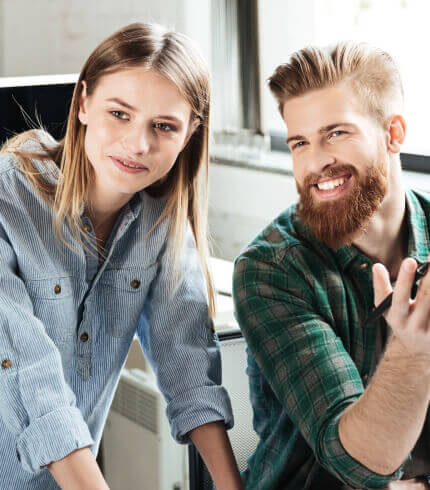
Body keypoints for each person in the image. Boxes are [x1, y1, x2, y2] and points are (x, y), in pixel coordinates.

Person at [0, 22, 244, 489]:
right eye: (119, 113)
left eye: (164, 126)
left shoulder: (162, 220)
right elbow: (29, 376)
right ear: (83, 103)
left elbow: (189, 365)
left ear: (190, 133)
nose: (138, 144)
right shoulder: (8, 195)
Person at [233, 42, 430, 489]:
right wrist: (414, 349)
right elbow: (358, 464)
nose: (316, 162)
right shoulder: (272, 269)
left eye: (336, 133)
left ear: (394, 133)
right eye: (299, 143)